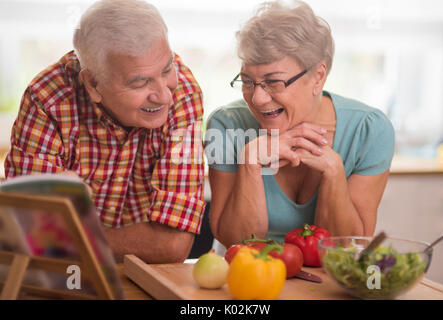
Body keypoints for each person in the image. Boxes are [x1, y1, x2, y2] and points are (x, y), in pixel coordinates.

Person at [5, 0, 206, 263]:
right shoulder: (48, 98)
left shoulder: (183, 95)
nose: (164, 96)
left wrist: (68, 234)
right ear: (93, 83)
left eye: (167, 69)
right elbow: (25, 230)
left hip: (138, 274)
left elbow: (172, 244)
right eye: (141, 82)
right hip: (54, 274)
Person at [205, 0, 395, 248]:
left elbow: (347, 246)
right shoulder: (226, 125)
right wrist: (250, 161)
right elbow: (235, 242)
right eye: (247, 81)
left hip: (325, 282)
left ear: (318, 77)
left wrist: (334, 171)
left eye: (274, 82)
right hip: (247, 276)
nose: (258, 98)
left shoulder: (369, 130)